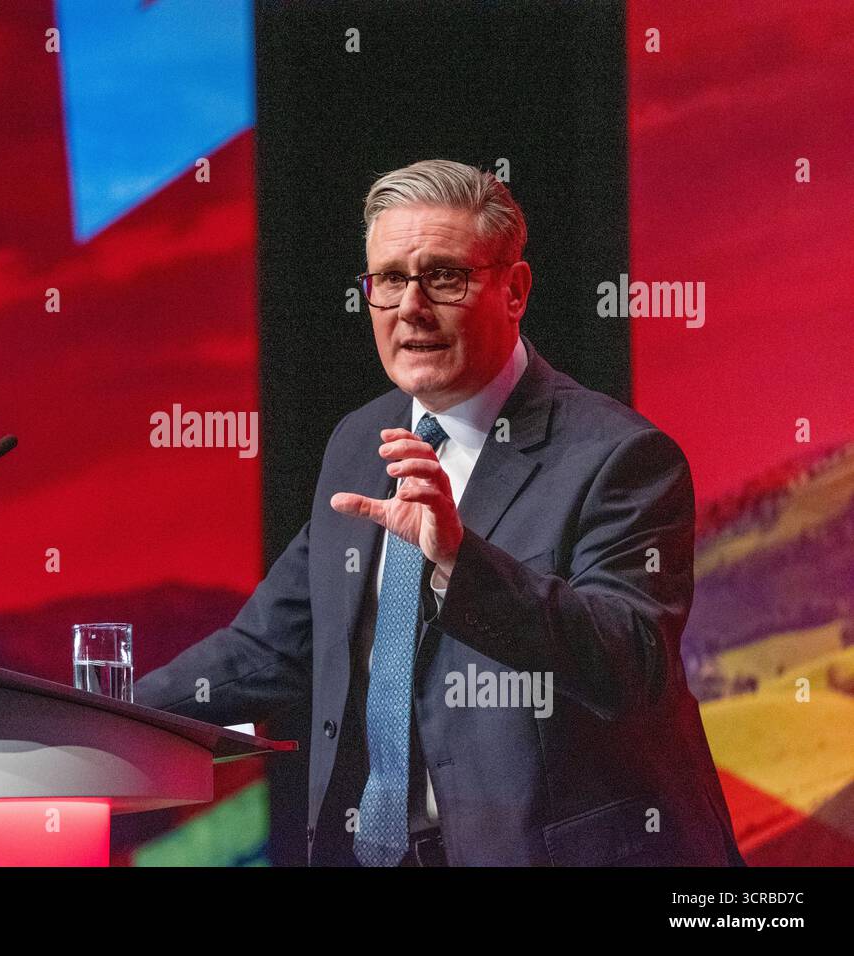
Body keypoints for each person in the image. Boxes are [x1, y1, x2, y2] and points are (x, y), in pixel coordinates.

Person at [133, 159, 743, 867]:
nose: (410, 308)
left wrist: (459, 559)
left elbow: (629, 663)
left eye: (444, 277)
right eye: (388, 280)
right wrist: (95, 717)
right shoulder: (360, 442)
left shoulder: (619, 457)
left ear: (514, 291)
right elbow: (271, 646)